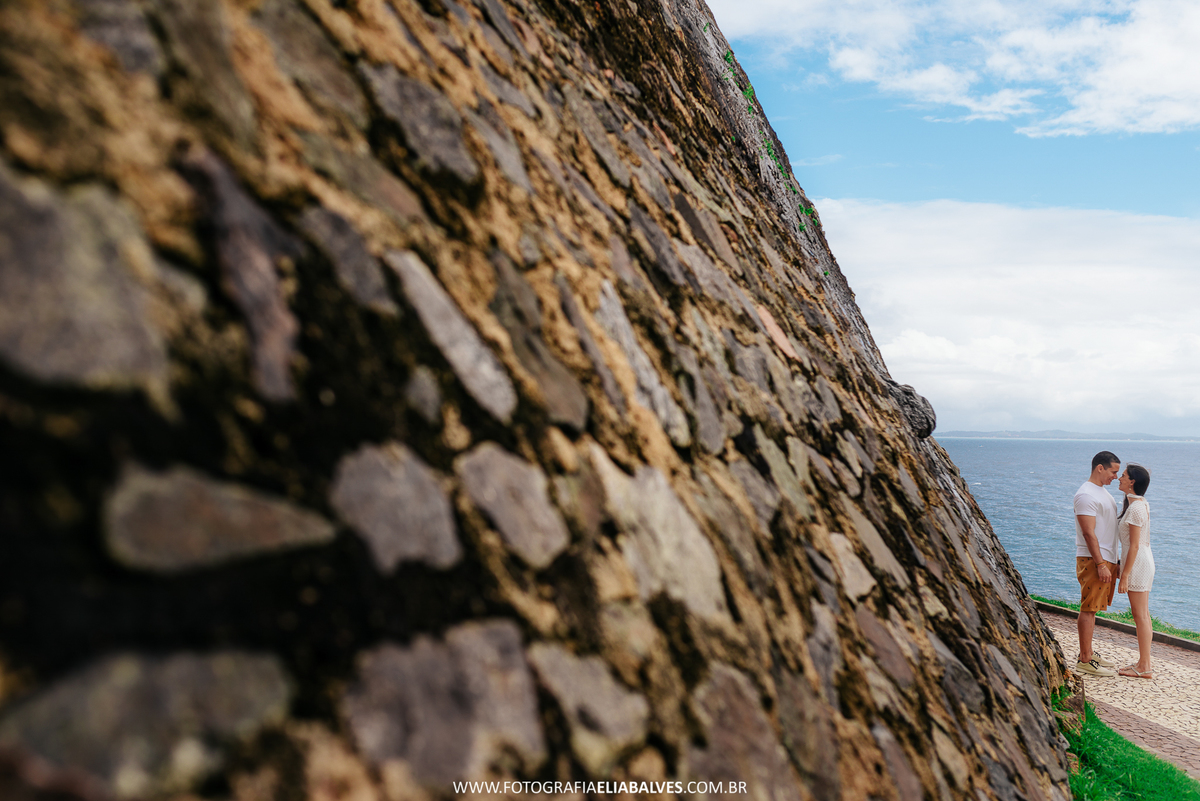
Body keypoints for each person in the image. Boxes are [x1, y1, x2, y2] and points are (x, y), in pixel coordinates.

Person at [1073, 451, 1121, 677]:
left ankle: (1089, 653)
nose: (1115, 476)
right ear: (1100, 468)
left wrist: (1113, 561)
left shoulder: (1102, 492)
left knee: (1094, 608)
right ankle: (1084, 659)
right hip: (1094, 559)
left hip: (1104, 558)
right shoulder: (1085, 494)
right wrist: (1101, 563)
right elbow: (1088, 533)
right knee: (1089, 608)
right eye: (1113, 471)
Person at [1116, 463, 1155, 678]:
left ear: (1132, 481)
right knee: (1143, 615)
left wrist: (1124, 576)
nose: (1119, 478)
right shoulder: (1138, 504)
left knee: (1140, 615)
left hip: (1138, 563)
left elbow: (1134, 546)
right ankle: (1143, 663)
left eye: (1123, 475)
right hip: (1141, 560)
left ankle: (1145, 666)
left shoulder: (1137, 507)